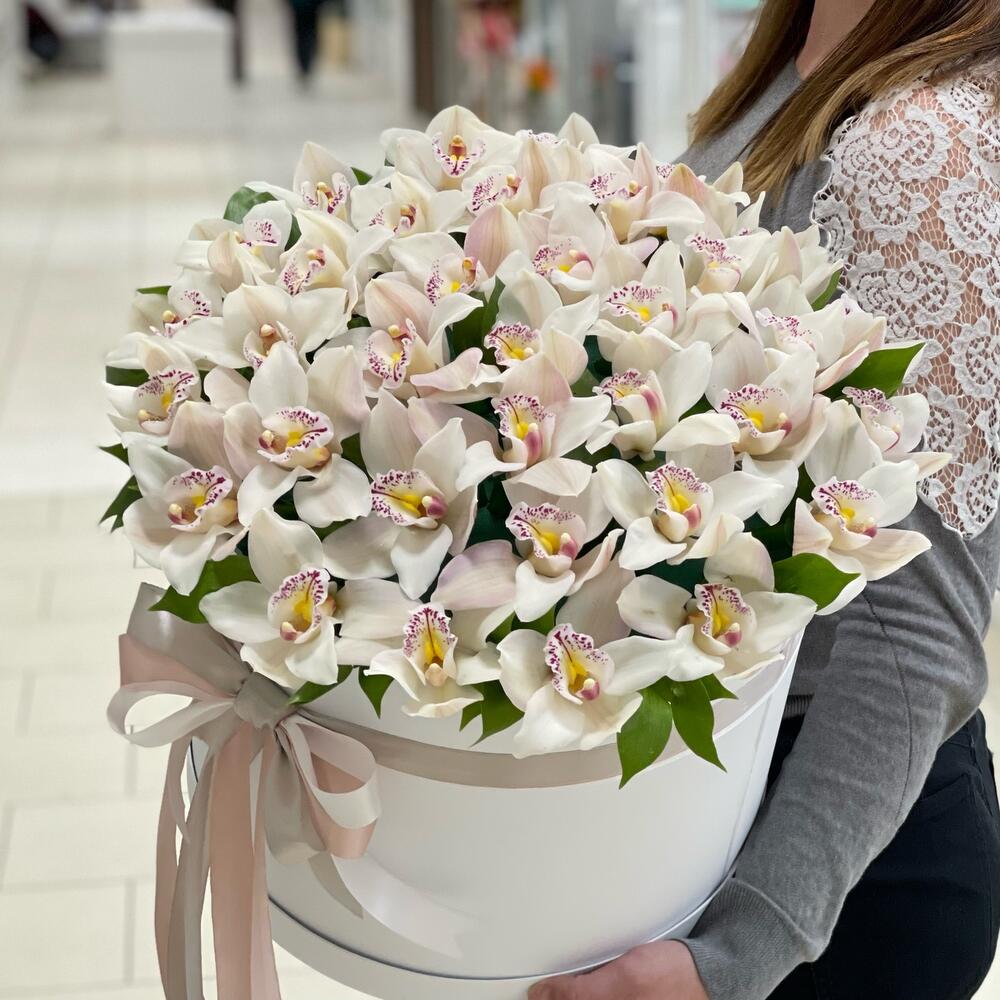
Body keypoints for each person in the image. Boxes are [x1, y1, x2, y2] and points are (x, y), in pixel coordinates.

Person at [530, 1, 1000, 998]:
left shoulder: (916, 146)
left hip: (834, 865)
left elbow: (915, 631)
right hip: (728, 794)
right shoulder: (805, 50)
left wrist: (735, 959)